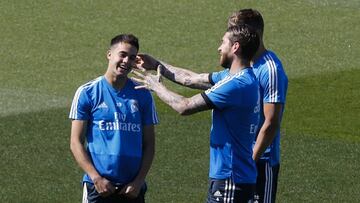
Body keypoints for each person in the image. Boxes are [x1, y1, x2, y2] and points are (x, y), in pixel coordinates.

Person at [133, 24, 260, 203]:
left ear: (235, 47)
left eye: (222, 42)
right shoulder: (241, 78)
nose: (219, 48)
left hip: (230, 178)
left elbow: (185, 106)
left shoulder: (235, 85)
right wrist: (156, 64)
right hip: (236, 176)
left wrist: (156, 86)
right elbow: (190, 79)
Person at [69, 34, 159, 203]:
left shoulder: (143, 94)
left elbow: (149, 144)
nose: (126, 61)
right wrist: (96, 178)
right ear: (109, 54)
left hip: (132, 189)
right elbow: (75, 142)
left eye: (132, 58)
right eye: (122, 54)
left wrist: (139, 181)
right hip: (99, 187)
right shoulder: (87, 92)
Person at [228, 9, 288, 203]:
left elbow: (270, 124)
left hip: (260, 162)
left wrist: (249, 162)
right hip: (240, 159)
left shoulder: (270, 69)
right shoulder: (243, 64)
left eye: (236, 32)